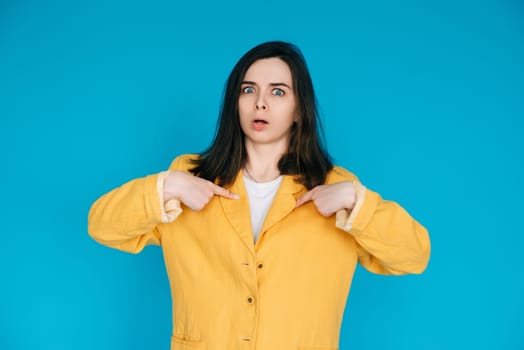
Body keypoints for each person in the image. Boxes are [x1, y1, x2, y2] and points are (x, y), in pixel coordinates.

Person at [88, 41, 430, 350]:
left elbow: (413, 256)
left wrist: (358, 202)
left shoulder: (335, 188)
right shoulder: (189, 178)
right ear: (235, 102)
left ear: (299, 109)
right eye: (248, 90)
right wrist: (168, 186)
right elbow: (102, 225)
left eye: (278, 92)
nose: (261, 103)